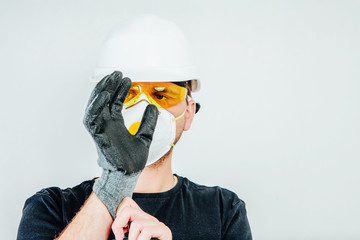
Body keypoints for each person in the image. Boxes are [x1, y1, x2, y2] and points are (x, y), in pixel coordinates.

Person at [17, 15, 252, 240]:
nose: (144, 109)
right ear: (100, 106)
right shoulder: (51, 207)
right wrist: (114, 185)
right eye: (128, 93)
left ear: (188, 113)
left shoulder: (223, 211)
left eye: (162, 95)